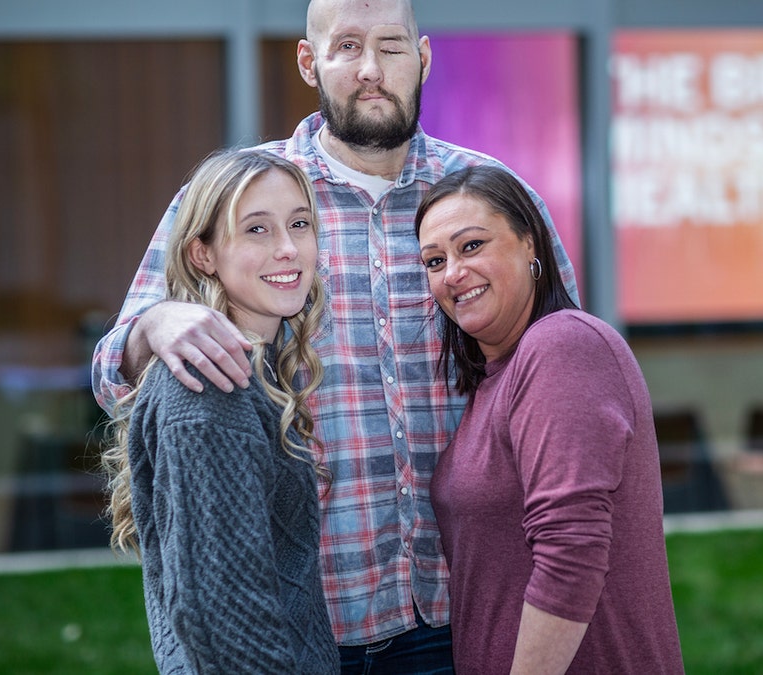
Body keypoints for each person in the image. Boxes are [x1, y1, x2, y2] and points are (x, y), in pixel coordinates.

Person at [91, 0, 578, 670]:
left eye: (391, 46)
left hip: (463, 610)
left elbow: (562, 373)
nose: (371, 70)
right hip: (300, 623)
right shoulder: (250, 197)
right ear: (308, 60)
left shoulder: (489, 200)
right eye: (347, 46)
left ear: (425, 57)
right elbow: (112, 371)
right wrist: (157, 321)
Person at [414, 165, 685, 674]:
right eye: (434, 260)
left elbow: (571, 554)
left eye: (471, 246)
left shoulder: (562, 345)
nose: (451, 273)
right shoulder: (497, 379)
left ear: (530, 244)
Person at [101, 148, 339, 673]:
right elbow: (226, 618)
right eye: (256, 230)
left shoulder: (256, 367)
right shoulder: (211, 386)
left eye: (299, 224)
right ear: (202, 255)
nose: (288, 249)